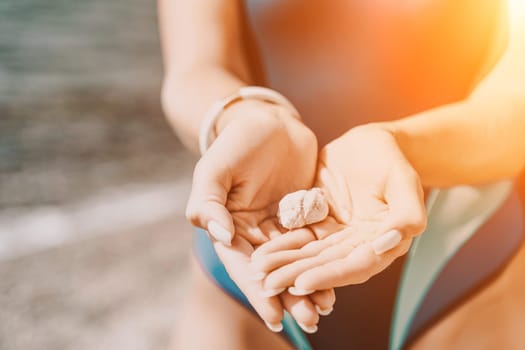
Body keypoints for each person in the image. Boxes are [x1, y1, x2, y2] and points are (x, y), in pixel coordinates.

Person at [159, 0, 525, 349]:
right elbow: (194, 70)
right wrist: (241, 116)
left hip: (461, 252)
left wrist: (401, 146)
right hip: (255, 239)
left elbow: (515, 100)